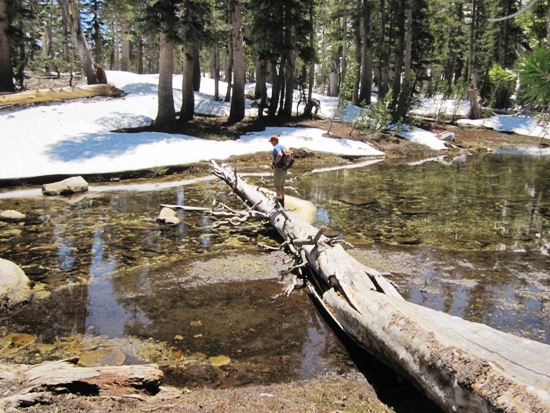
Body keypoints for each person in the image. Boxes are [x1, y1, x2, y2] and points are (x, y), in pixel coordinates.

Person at [268, 135, 287, 208]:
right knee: (282, 186)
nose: (271, 143)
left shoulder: (276, 147)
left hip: (278, 169)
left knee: (277, 186)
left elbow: (280, 154)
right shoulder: (283, 147)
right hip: (284, 169)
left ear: (275, 141)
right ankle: (282, 202)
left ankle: (278, 203)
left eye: (272, 141)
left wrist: (274, 163)